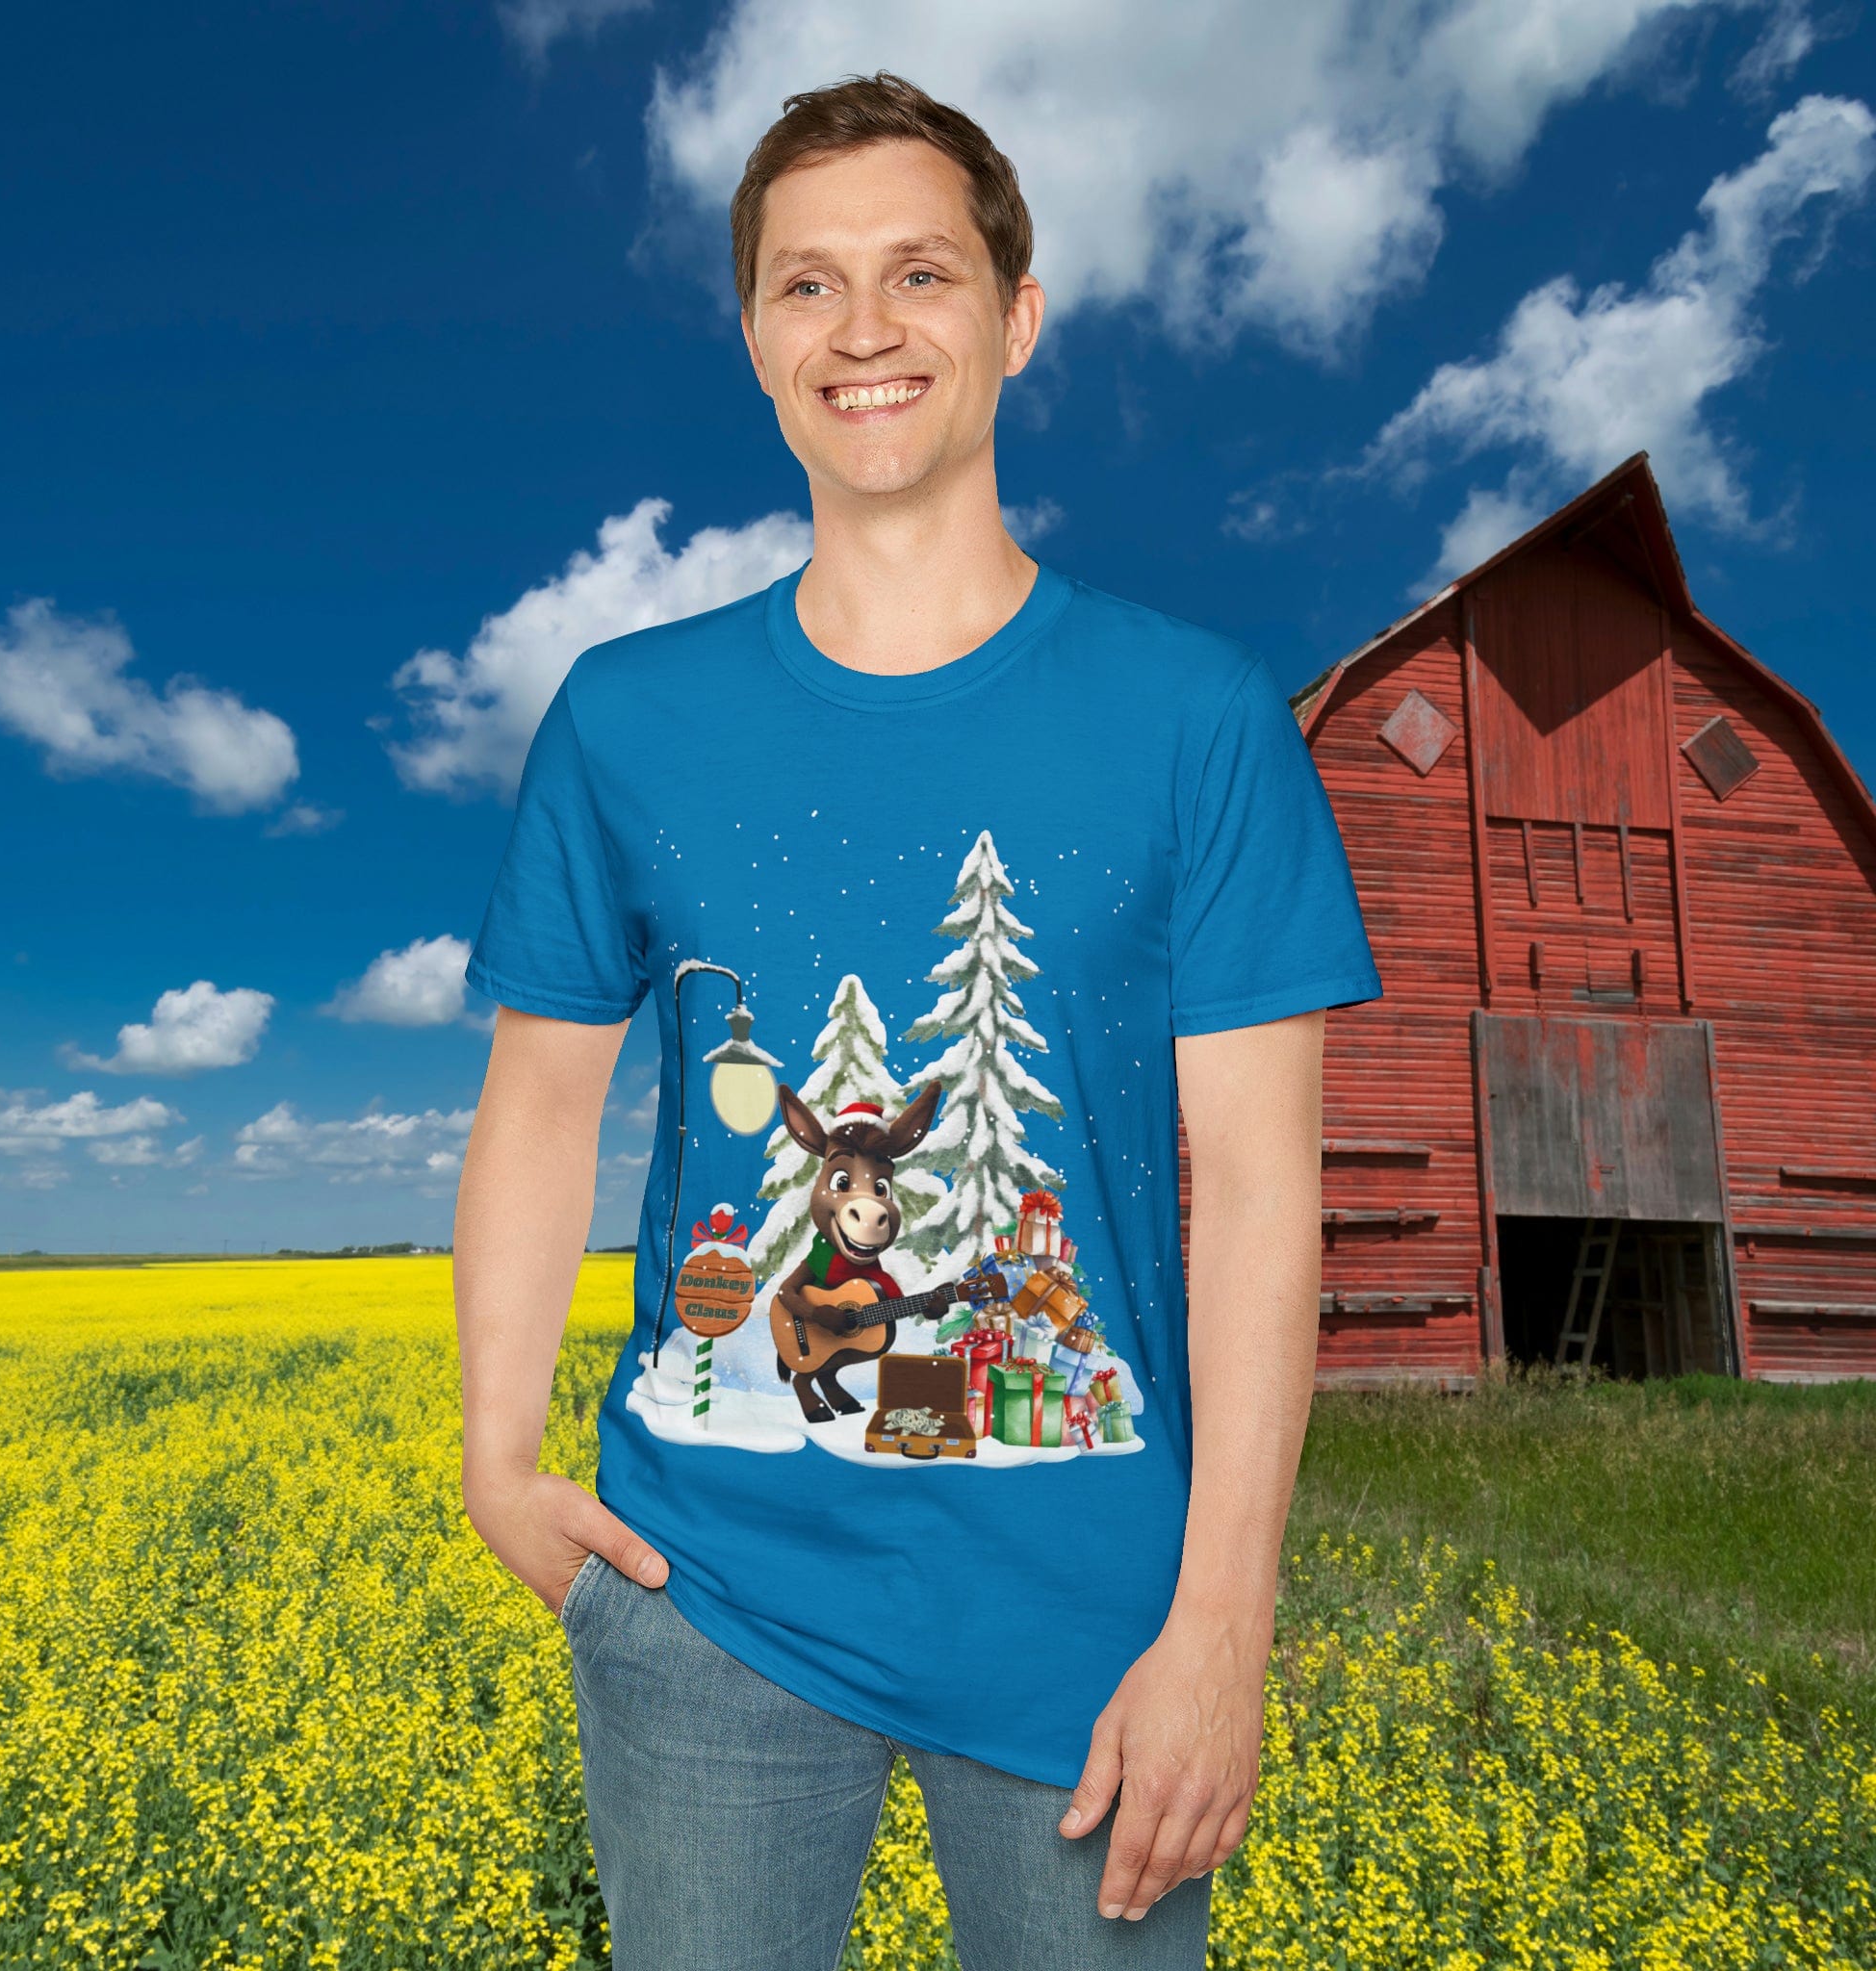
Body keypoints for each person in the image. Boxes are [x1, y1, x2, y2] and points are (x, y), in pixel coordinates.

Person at [455, 69, 1381, 1970]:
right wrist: (493, 1450)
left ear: (1014, 317)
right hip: (702, 1602)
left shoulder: (1199, 718)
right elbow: (543, 1103)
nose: (862, 330)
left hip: (1102, 1627)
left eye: (919, 274)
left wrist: (1223, 1623)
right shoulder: (624, 718)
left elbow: (1262, 1189)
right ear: (753, 342)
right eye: (806, 286)